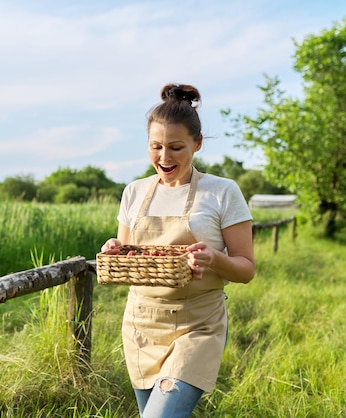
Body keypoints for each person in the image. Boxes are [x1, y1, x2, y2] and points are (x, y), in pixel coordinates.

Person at [101, 83, 255, 417]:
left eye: (175, 147)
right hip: (141, 324)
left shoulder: (222, 192)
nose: (164, 157)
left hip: (198, 326)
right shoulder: (134, 192)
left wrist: (214, 258)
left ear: (197, 144)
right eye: (156, 147)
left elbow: (246, 269)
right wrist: (114, 249)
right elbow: (128, 253)